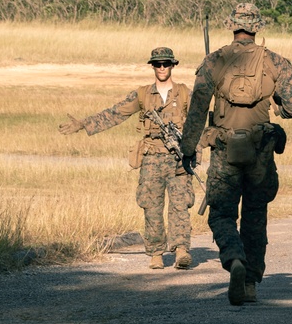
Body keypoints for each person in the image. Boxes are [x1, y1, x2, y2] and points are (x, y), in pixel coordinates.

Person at [178, 3, 292, 306]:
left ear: (232, 25)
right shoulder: (276, 62)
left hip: (224, 150)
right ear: (257, 27)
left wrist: (187, 150)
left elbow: (196, 111)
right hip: (260, 152)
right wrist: (277, 107)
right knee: (255, 215)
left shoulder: (214, 61)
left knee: (221, 213)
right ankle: (249, 282)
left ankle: (234, 259)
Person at [59, 47, 195, 271]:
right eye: (158, 64)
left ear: (173, 66)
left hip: (179, 159)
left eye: (166, 64)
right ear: (152, 66)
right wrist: (84, 124)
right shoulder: (142, 95)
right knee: (151, 206)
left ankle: (181, 250)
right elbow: (116, 113)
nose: (162, 68)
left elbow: (197, 122)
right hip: (151, 158)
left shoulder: (184, 93)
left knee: (180, 206)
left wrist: (194, 151)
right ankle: (156, 253)